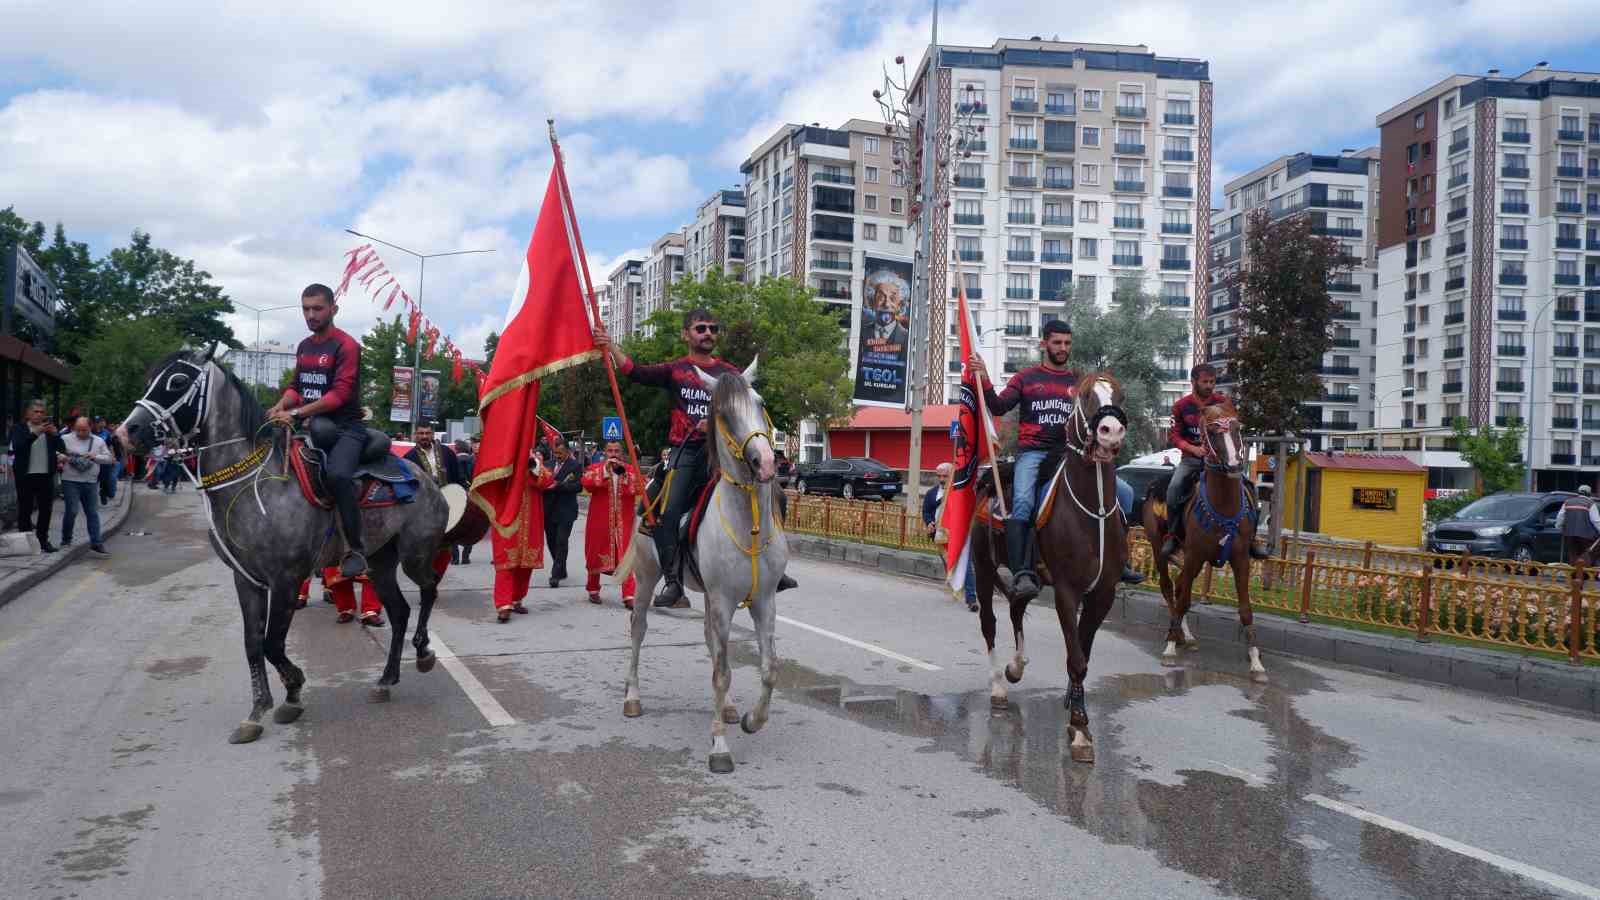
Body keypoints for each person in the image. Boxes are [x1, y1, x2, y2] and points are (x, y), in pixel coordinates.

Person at [592, 308, 798, 608]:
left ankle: (776, 571)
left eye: (713, 328)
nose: (708, 333)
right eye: (700, 328)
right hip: (687, 452)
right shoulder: (676, 370)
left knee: (776, 497)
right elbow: (634, 371)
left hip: (726, 454)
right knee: (668, 511)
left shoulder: (729, 373)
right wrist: (609, 345)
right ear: (685, 334)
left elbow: (745, 408)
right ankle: (674, 581)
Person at [968, 321, 1143, 602]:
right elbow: (999, 406)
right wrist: (985, 379)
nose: (1063, 348)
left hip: (1072, 453)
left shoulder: (1081, 381)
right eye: (1057, 342)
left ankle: (1118, 561)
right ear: (1044, 344)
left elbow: (1101, 410)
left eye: (1067, 343)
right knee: (1024, 501)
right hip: (1034, 453)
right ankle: (1023, 572)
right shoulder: (1026, 377)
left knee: (1125, 492)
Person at [267, 283, 369, 578]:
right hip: (311, 426)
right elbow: (296, 388)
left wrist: (295, 413)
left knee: (337, 475)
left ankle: (355, 548)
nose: (310, 315)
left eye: (317, 308)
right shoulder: (304, 346)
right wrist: (278, 407)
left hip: (346, 429)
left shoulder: (346, 345)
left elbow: (338, 396)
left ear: (333, 309)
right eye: (306, 309)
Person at [1161, 363, 1270, 560]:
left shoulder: (1223, 403)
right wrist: (1193, 448)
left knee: (1249, 486)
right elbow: (1174, 436)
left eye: (1212, 382)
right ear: (1193, 382)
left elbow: (1233, 428)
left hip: (1220, 461)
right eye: (1205, 382)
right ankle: (1173, 536)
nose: (1209, 386)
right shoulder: (1181, 406)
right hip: (1192, 460)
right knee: (1174, 488)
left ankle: (1252, 539)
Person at [491, 447, 556, 622]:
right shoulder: (503, 460)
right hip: (507, 520)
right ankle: (503, 605)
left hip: (531, 520)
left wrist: (533, 465)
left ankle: (516, 599)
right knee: (506, 563)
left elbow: (548, 481)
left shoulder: (534, 462)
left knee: (526, 564)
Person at [582, 439, 644, 607]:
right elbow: (587, 484)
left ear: (621, 453)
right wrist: (605, 471)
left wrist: (623, 474)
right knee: (596, 553)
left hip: (624, 522)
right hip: (600, 521)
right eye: (610, 451)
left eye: (617, 451)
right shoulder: (596, 469)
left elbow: (640, 488)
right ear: (605, 453)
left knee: (626, 557)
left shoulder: (629, 470)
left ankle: (629, 594)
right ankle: (593, 588)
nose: (614, 454)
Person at [404, 423, 463, 582]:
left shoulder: (447, 453)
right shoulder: (408, 458)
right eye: (421, 433)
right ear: (415, 435)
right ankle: (425, 582)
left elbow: (458, 478)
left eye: (427, 433)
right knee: (425, 549)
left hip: (448, 507)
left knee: (445, 548)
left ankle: (434, 582)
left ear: (433, 434)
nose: (424, 436)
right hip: (422, 511)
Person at [9, 399, 66, 553]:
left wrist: (55, 435)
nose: (39, 415)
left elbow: (62, 448)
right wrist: (35, 433)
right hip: (25, 475)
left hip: (45, 475)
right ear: (28, 413)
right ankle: (25, 542)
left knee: (46, 509)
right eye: (35, 411)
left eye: (42, 412)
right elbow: (18, 447)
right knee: (25, 509)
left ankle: (43, 540)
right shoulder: (18, 428)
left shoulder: (49, 430)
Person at [924, 462, 977, 611]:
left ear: (951, 475)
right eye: (939, 476)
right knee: (950, 564)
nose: (942, 479)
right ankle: (956, 586)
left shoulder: (958, 494)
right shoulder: (931, 493)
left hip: (958, 534)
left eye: (945, 476)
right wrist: (929, 523)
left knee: (965, 565)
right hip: (940, 536)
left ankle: (971, 598)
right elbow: (926, 512)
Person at [59, 416, 114, 556]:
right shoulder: (65, 439)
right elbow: (55, 452)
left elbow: (109, 459)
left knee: (92, 513)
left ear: (90, 428)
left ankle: (96, 543)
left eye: (84, 430)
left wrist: (95, 457)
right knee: (72, 511)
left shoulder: (98, 441)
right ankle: (66, 539)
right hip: (70, 480)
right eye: (78, 429)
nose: (80, 433)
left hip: (90, 482)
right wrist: (63, 457)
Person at [542, 437, 583, 588]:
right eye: (555, 452)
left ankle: (555, 574)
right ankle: (561, 567)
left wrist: (559, 486)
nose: (557, 455)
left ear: (568, 451)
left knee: (561, 541)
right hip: (548, 510)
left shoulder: (575, 466)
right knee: (551, 541)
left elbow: (578, 487)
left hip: (566, 510)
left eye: (560, 452)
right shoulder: (547, 465)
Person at [1555, 485, 1600, 561]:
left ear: (1578, 492)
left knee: (1573, 554)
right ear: (1589, 494)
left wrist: (1559, 527)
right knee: (1586, 556)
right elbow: (1596, 521)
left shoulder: (1567, 502)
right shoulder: (1590, 503)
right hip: (1586, 536)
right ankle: (1584, 571)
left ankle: (1573, 571)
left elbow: (1560, 517)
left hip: (1569, 534)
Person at [452, 439, 477, 564]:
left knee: (454, 525)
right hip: (472, 494)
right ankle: (466, 556)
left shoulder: (453, 461)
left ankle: (455, 557)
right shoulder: (474, 460)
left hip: (456, 494)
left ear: (456, 449)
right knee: (471, 525)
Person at [94, 416, 119, 504]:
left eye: (102, 421)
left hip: (104, 460)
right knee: (94, 479)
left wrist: (112, 457)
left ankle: (103, 494)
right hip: (94, 460)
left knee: (105, 479)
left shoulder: (106, 433)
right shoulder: (91, 433)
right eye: (99, 422)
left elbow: (110, 446)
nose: (102, 423)